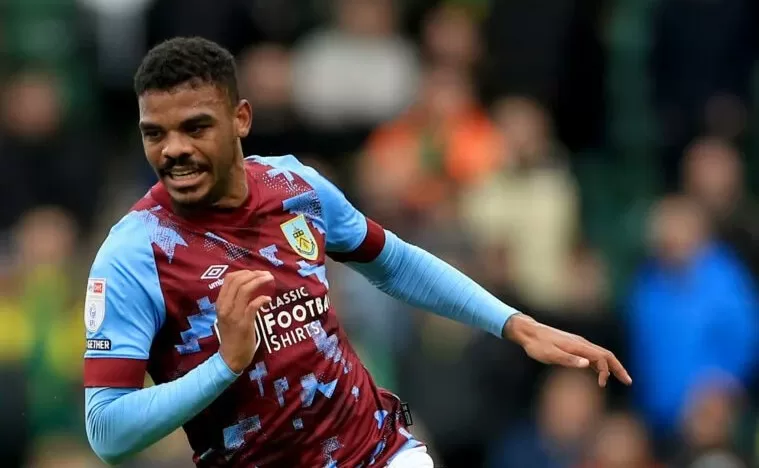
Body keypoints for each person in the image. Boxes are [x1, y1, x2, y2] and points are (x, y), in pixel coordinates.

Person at [82, 37, 631, 467]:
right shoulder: (135, 252)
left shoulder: (295, 187)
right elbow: (107, 432)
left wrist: (514, 325)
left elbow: (393, 261)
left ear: (240, 119)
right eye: (155, 133)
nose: (174, 149)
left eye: (195, 127)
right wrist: (225, 364)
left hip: (380, 452)